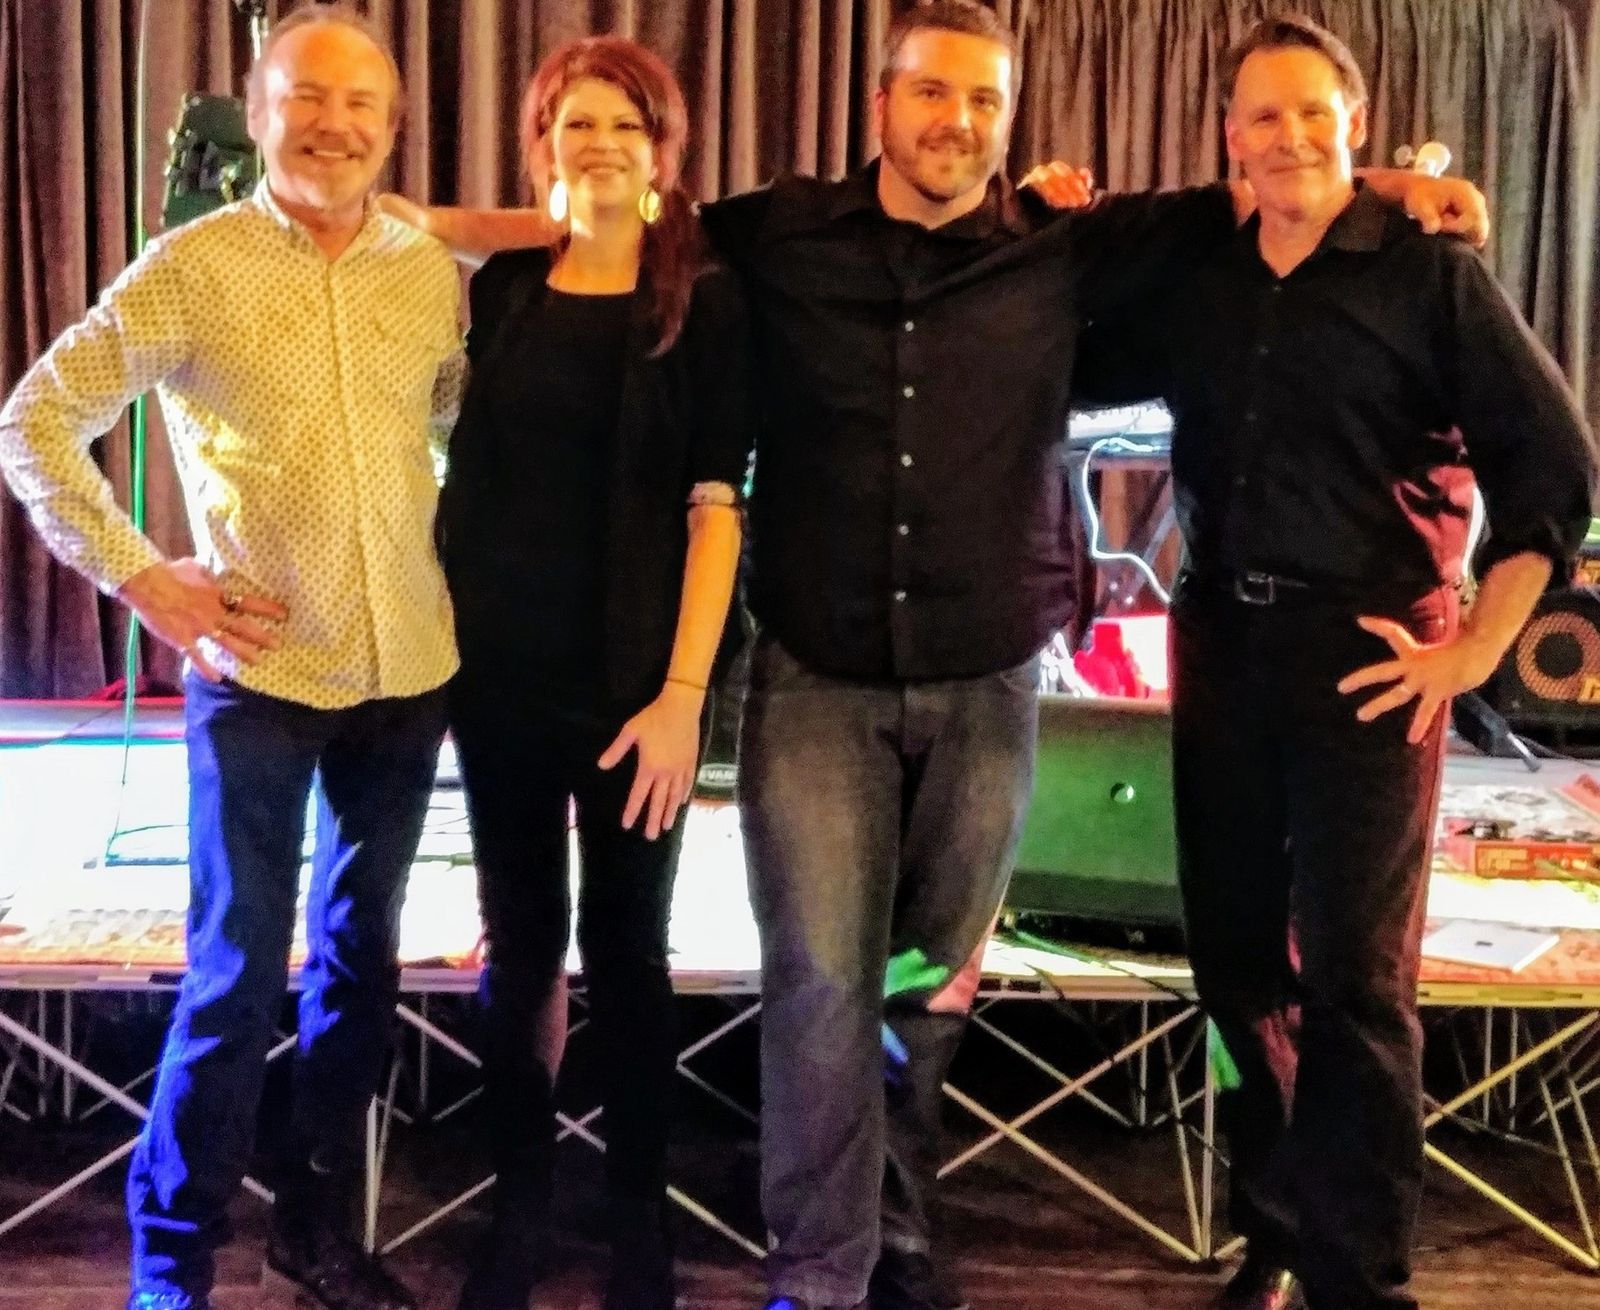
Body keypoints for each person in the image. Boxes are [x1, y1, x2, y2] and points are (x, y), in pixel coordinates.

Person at [386, 6, 1485, 1306]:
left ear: (1007, 118)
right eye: (930, 93)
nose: (955, 120)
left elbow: (1263, 185)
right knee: (817, 987)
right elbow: (620, 209)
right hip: (818, 671)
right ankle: (820, 1270)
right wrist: (426, 222)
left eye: (982, 100)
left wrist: (1392, 184)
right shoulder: (785, 230)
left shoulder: (1060, 243)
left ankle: (900, 1240)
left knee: (926, 989)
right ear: (881, 104)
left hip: (984, 674)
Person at [1073, 16, 1598, 1310]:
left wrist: (1472, 650)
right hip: (1221, 643)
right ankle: (1276, 1231)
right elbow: (1063, 351)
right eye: (1264, 115)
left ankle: (1360, 1279)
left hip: (1371, 655)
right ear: (1230, 138)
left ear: (1354, 127)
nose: (1290, 137)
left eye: (1314, 113)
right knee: (1235, 960)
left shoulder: (1428, 274)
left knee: (1358, 984)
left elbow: (1555, 465)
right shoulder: (1200, 270)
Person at [0, 8, 465, 1310]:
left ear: (391, 128)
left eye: (360, 104)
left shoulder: (425, 274)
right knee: (236, 974)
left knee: (360, 969)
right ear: (258, 115)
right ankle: (174, 1259)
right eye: (305, 96)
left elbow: (449, 423)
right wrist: (143, 576)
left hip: (409, 669)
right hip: (258, 676)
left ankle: (317, 1230)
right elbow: (33, 422)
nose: (332, 123)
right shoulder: (192, 268)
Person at [435, 36, 749, 1310]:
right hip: (497, 677)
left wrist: (682, 699)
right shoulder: (506, 288)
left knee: (629, 955)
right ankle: (518, 1211)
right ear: (544, 144)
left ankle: (637, 1227)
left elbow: (716, 512)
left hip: (636, 691)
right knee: (521, 948)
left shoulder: (705, 299)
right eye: (579, 123)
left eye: (627, 124)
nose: (602, 144)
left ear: (662, 149)